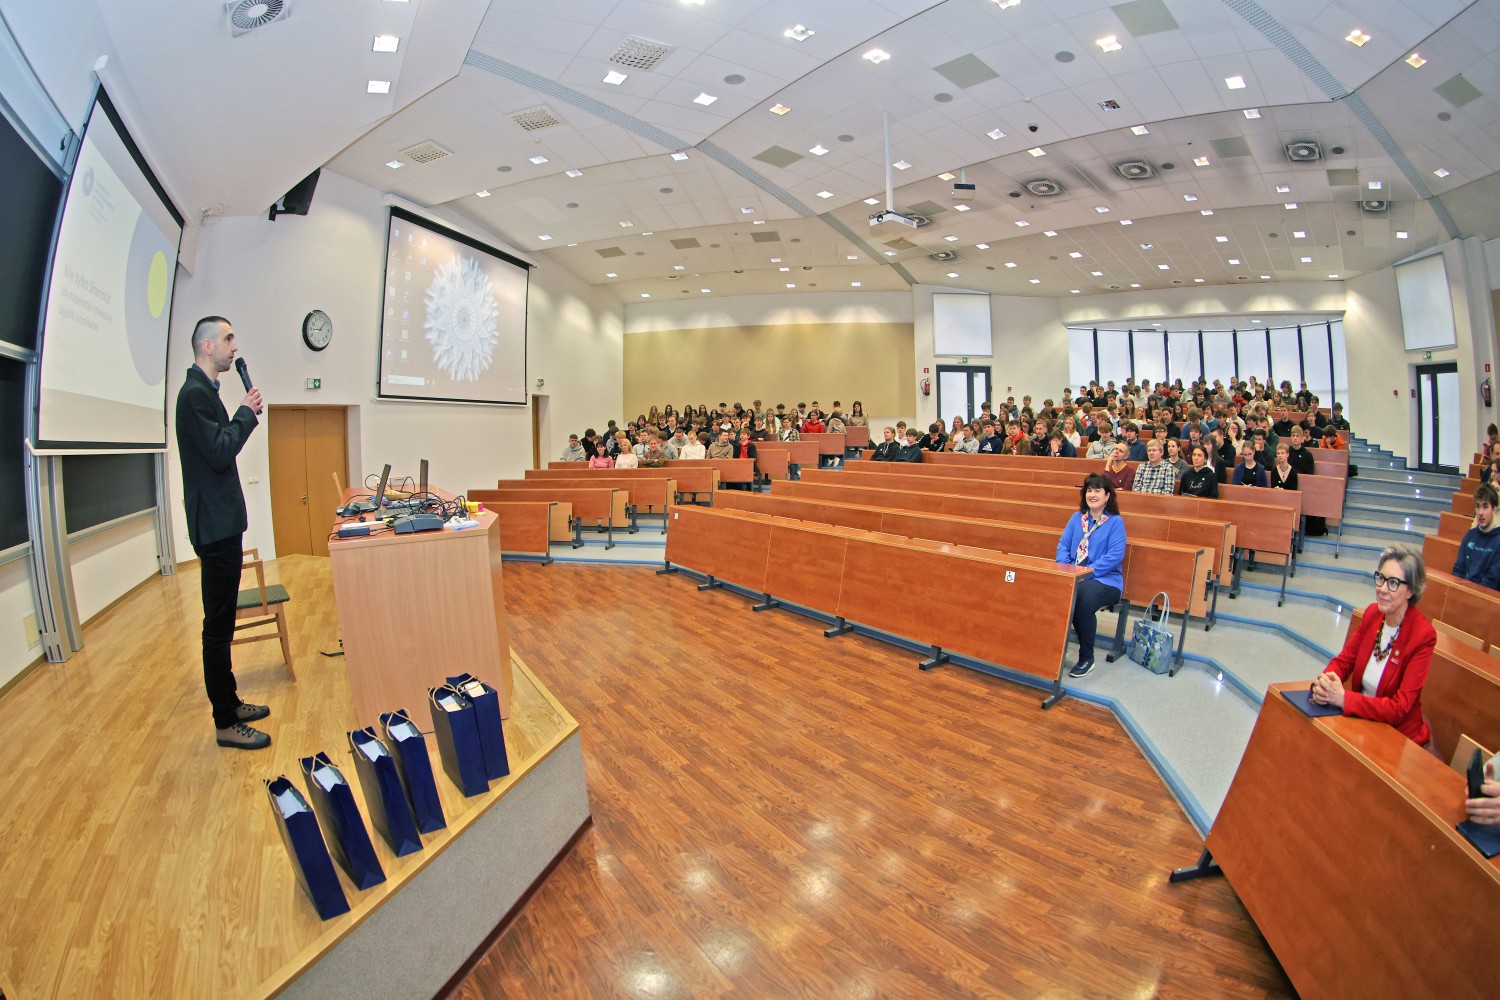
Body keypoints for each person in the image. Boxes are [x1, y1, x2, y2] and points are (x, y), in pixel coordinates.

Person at [176, 316, 270, 750]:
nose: (235, 346)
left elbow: (220, 446)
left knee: (224, 622)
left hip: (221, 525)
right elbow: (219, 452)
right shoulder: (194, 395)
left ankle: (231, 703)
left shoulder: (205, 392)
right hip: (214, 528)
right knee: (217, 627)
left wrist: (240, 416)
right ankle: (225, 722)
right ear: (208, 346)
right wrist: (245, 414)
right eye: (228, 338)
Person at [1309, 545, 1436, 746]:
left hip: (1398, 736)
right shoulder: (1372, 614)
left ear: (1411, 590)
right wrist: (1325, 683)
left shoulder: (1422, 636)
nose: (1382, 589)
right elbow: (1343, 662)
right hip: (1363, 722)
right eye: (1381, 578)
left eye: (1393, 583)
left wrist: (1344, 699)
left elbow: (1399, 709)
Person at [1055, 474, 1127, 679]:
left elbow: (1114, 556)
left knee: (1082, 598)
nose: (1092, 495)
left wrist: (1085, 573)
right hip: (1074, 575)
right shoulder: (1076, 518)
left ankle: (1087, 658)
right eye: (1089, 490)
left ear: (1107, 496)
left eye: (1097, 491)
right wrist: (1068, 569)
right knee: (1053, 590)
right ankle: (1053, 651)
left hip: (1106, 579)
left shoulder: (1115, 522)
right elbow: (1063, 546)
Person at [1452, 483, 1500, 589]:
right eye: (1478, 506)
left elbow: (1491, 581)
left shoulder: (1498, 541)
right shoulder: (1469, 535)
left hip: (1484, 595)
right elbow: (1458, 570)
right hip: (1462, 591)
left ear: (1494, 510)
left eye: (1485, 506)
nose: (1480, 512)